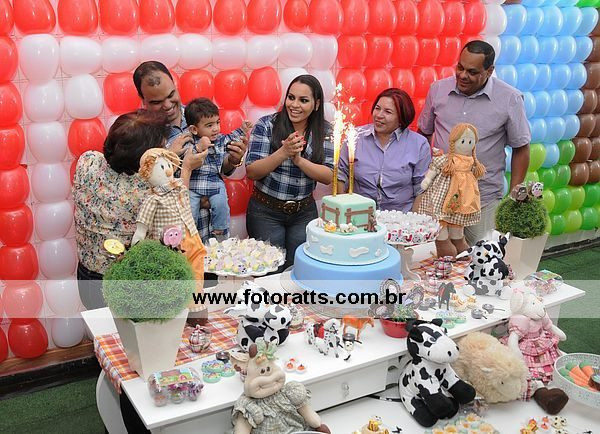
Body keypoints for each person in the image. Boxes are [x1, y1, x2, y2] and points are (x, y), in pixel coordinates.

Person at [73, 110, 208, 310]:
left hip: (86, 278)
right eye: (160, 147)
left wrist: (167, 155)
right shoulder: (148, 192)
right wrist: (186, 168)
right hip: (125, 286)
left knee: (99, 328)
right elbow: (179, 215)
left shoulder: (87, 161)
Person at [418, 40, 531, 245]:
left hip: (483, 199)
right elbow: (423, 134)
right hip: (439, 195)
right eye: (460, 67)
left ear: (489, 71)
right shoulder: (438, 90)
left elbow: (521, 148)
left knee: (484, 255)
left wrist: (514, 196)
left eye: (472, 72)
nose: (463, 75)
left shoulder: (510, 98)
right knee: (436, 256)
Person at [133, 61, 248, 241]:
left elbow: (217, 163)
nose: (167, 105)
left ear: (175, 86)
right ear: (143, 100)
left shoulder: (199, 115)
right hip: (172, 236)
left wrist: (232, 160)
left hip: (209, 229)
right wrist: (171, 156)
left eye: (171, 95)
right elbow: (142, 191)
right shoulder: (140, 133)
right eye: (156, 102)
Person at [245, 75, 334, 269]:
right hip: (265, 212)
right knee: (269, 271)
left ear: (317, 104)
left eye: (303, 100)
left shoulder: (325, 130)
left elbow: (328, 176)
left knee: (299, 269)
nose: (294, 105)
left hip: (304, 213)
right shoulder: (266, 124)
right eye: (291, 97)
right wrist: (283, 152)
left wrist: (299, 160)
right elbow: (252, 171)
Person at [337, 88, 431, 211]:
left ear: (402, 118)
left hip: (400, 217)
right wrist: (343, 209)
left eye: (388, 112)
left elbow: (421, 188)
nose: (379, 115)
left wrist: (414, 219)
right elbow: (340, 175)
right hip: (359, 214)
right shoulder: (355, 137)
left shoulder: (419, 144)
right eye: (377, 108)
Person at [184, 98, 252, 240]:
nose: (215, 128)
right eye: (209, 125)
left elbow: (231, 137)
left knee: (221, 204)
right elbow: (184, 160)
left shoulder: (220, 140)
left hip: (215, 182)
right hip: (194, 185)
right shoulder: (189, 141)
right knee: (189, 209)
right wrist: (198, 147)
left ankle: (220, 231)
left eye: (217, 122)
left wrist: (242, 129)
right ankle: (190, 236)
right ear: (194, 129)